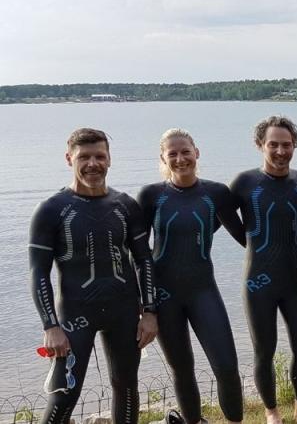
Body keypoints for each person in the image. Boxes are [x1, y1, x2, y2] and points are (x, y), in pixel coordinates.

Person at [29, 128, 157, 423]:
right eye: (83, 157)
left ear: (109, 159)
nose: (92, 164)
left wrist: (150, 312)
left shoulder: (125, 206)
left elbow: (144, 260)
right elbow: (38, 273)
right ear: (68, 159)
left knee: (126, 388)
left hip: (123, 312)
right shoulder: (51, 210)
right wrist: (50, 326)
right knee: (64, 394)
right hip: (75, 316)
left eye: (99, 156)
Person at [137, 129, 245, 424]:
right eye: (172, 154)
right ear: (163, 158)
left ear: (197, 153)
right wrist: (145, 305)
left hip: (203, 291)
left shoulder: (216, 193)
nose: (180, 158)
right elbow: (139, 253)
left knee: (226, 367)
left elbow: (246, 238)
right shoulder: (151, 196)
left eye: (186, 151)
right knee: (182, 369)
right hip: (164, 295)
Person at [231, 116, 297, 424]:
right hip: (258, 281)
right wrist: (255, 244)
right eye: (273, 145)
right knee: (264, 350)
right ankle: (271, 411)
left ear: (294, 145)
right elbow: (227, 221)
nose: (280, 151)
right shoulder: (244, 183)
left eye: (287, 145)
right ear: (260, 145)